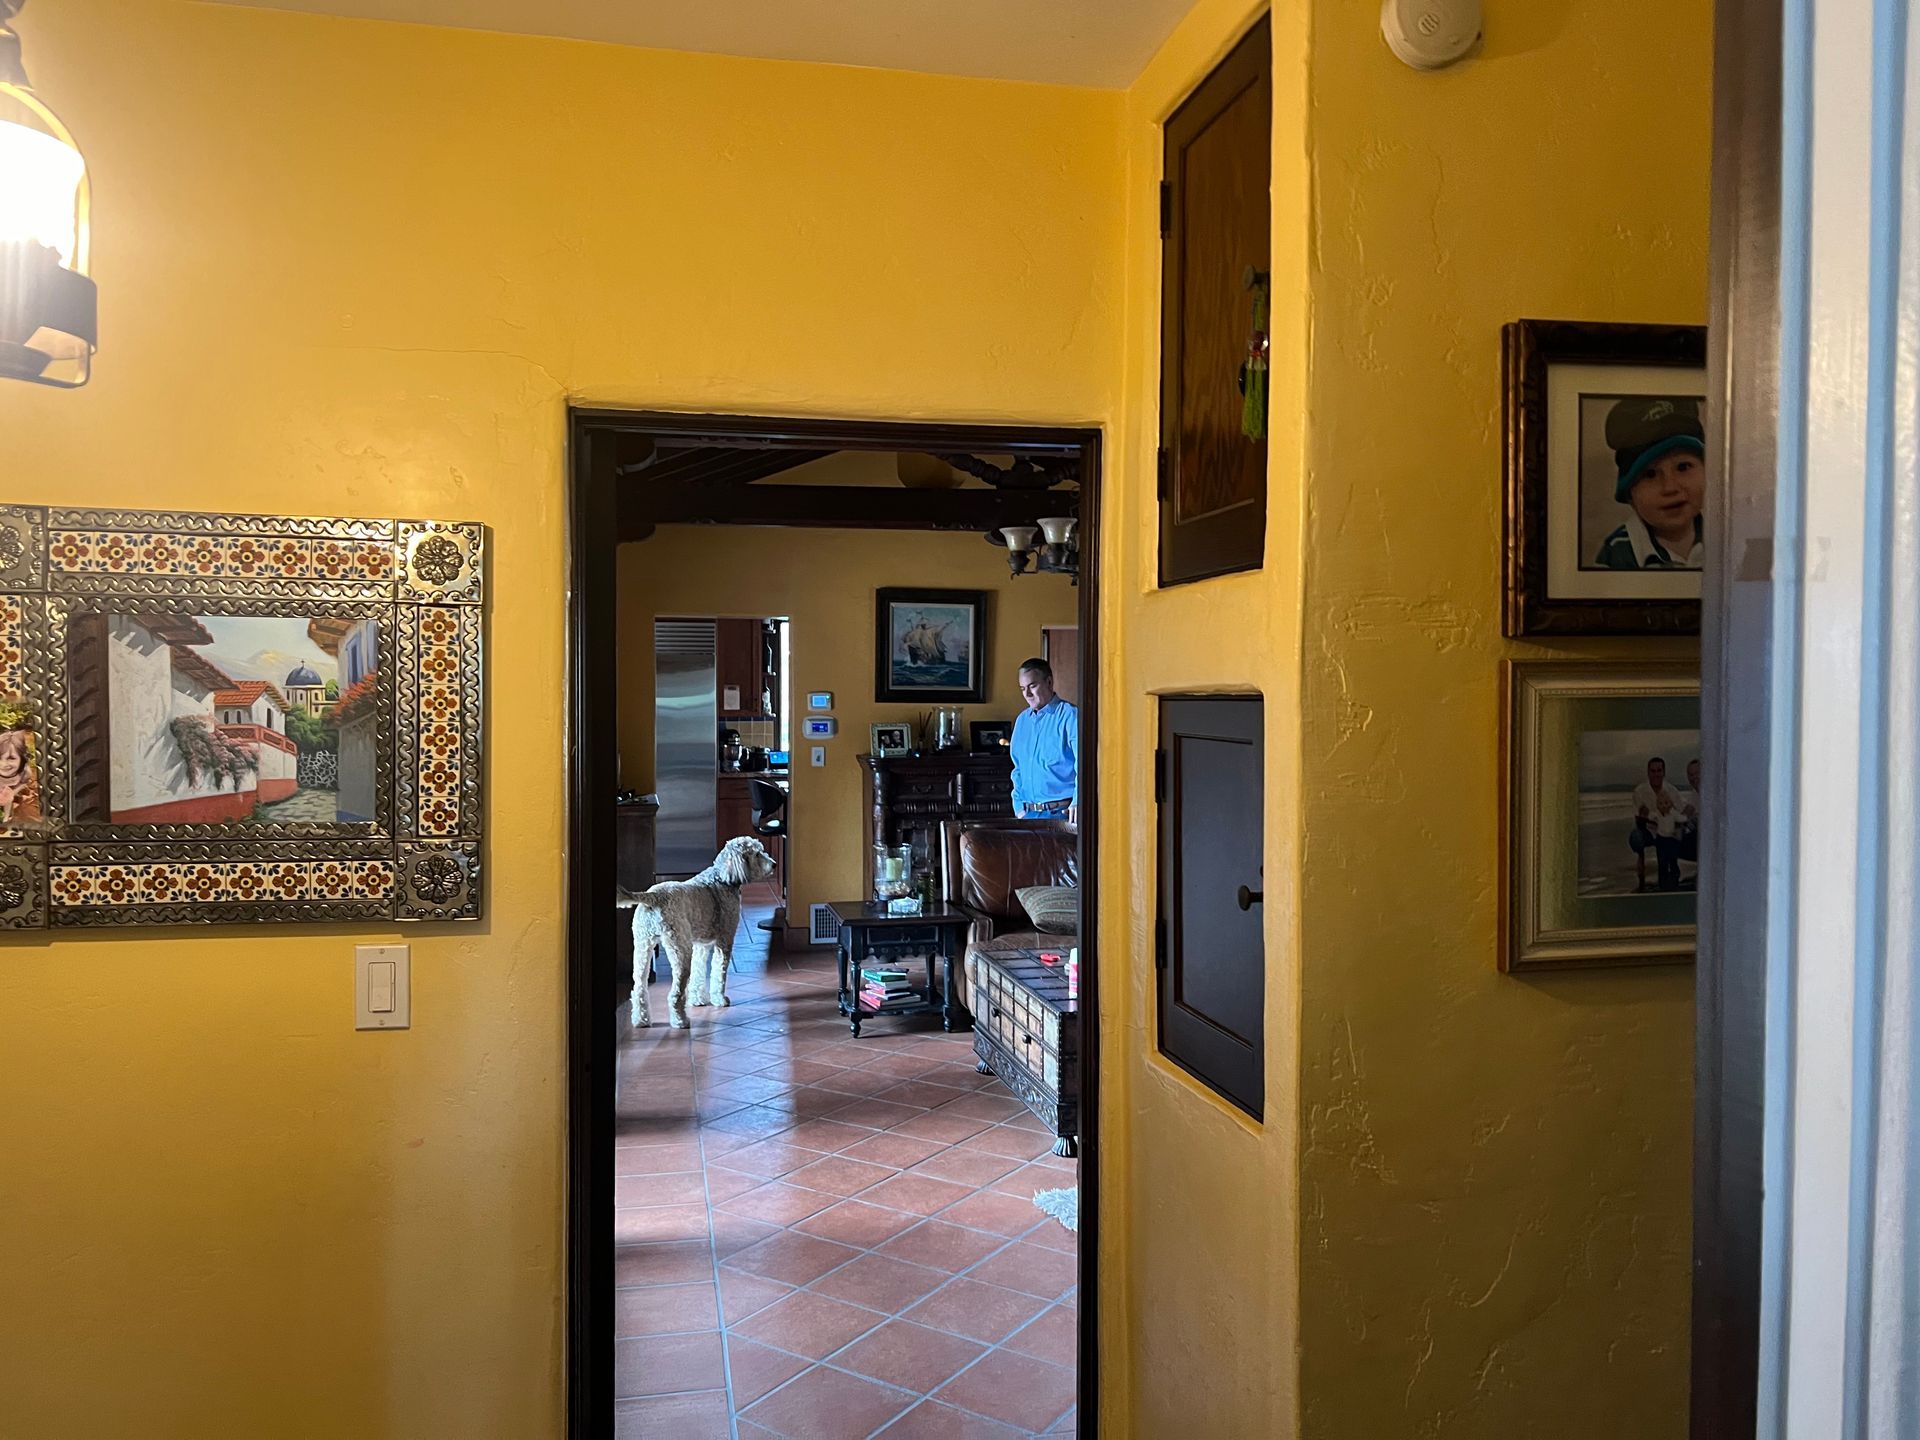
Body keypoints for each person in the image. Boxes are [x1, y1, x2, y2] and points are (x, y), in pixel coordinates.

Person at [1593, 396, 1706, 570]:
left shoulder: (1726, 537)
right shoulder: (1618, 552)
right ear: (1630, 494)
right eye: (1650, 474)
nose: (1670, 487)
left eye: (1683, 467)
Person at [1009, 657, 1078, 823]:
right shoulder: (1022, 721)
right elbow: (1017, 769)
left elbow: (1084, 765)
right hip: (1028, 815)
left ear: (1049, 682)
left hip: (1062, 814)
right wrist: (1018, 807)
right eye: (1022, 688)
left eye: (1032, 686)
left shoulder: (1070, 716)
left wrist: (1078, 801)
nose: (1027, 694)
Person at [1629, 756, 1684, 892]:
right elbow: (1639, 816)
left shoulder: (1672, 790)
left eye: (1659, 770)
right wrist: (1655, 819)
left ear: (1664, 772)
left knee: (1669, 844)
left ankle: (1670, 876)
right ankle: (1641, 878)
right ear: (1648, 773)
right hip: (1648, 829)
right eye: (1653, 771)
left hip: (1667, 830)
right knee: (1636, 837)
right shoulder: (1639, 791)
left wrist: (1671, 828)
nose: (1656, 774)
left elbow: (1679, 813)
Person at [1678, 756, 1703, 880]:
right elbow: (1685, 813)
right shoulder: (1694, 794)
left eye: (1696, 774)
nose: (1693, 778)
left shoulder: (1714, 792)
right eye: (1690, 775)